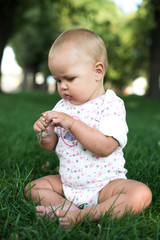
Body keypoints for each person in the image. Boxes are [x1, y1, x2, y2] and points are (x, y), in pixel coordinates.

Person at [25, 28, 152, 230]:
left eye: (70, 78)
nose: (62, 86)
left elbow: (105, 147)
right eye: (58, 80)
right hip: (68, 184)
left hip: (105, 186)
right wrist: (46, 134)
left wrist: (72, 123)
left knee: (140, 194)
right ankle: (65, 208)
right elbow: (50, 146)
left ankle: (82, 215)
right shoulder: (61, 107)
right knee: (34, 187)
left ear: (97, 71)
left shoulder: (110, 105)